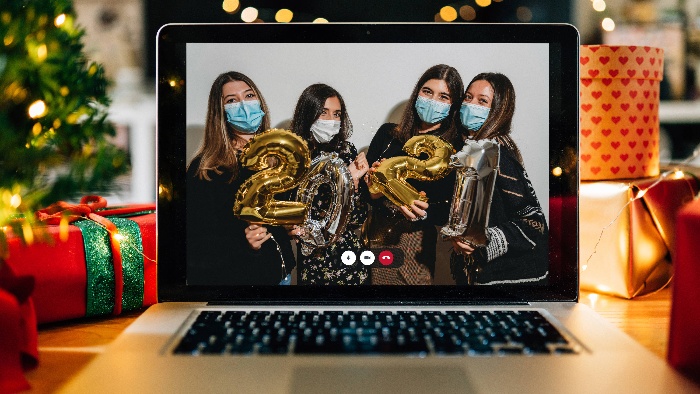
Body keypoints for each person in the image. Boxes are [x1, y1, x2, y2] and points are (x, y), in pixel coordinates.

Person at [186, 71, 296, 285]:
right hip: (242, 286)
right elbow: (195, 247)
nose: (244, 105)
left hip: (282, 276)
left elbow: (274, 219)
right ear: (220, 112)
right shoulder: (206, 170)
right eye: (232, 100)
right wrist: (243, 244)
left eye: (248, 96)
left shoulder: (275, 158)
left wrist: (289, 227)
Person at [363, 64, 464, 285]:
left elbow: (452, 208)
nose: (432, 100)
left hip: (415, 241)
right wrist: (374, 186)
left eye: (443, 96)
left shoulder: (455, 148)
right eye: (427, 92)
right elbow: (364, 193)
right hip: (376, 234)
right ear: (417, 92)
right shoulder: (388, 135)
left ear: (453, 105)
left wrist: (420, 210)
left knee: (408, 311)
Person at [450, 72, 548, 285]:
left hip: (512, 284)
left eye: (482, 101)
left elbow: (535, 223)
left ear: (499, 111)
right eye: (468, 97)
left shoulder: (497, 155)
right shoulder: (472, 152)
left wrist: (484, 239)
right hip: (481, 277)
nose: (471, 104)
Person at [288, 83, 370, 285]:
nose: (331, 121)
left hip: (350, 260)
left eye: (337, 114)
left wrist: (355, 182)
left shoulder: (347, 151)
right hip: (313, 260)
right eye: (323, 113)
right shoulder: (293, 156)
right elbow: (301, 216)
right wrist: (342, 181)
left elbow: (358, 218)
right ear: (308, 114)